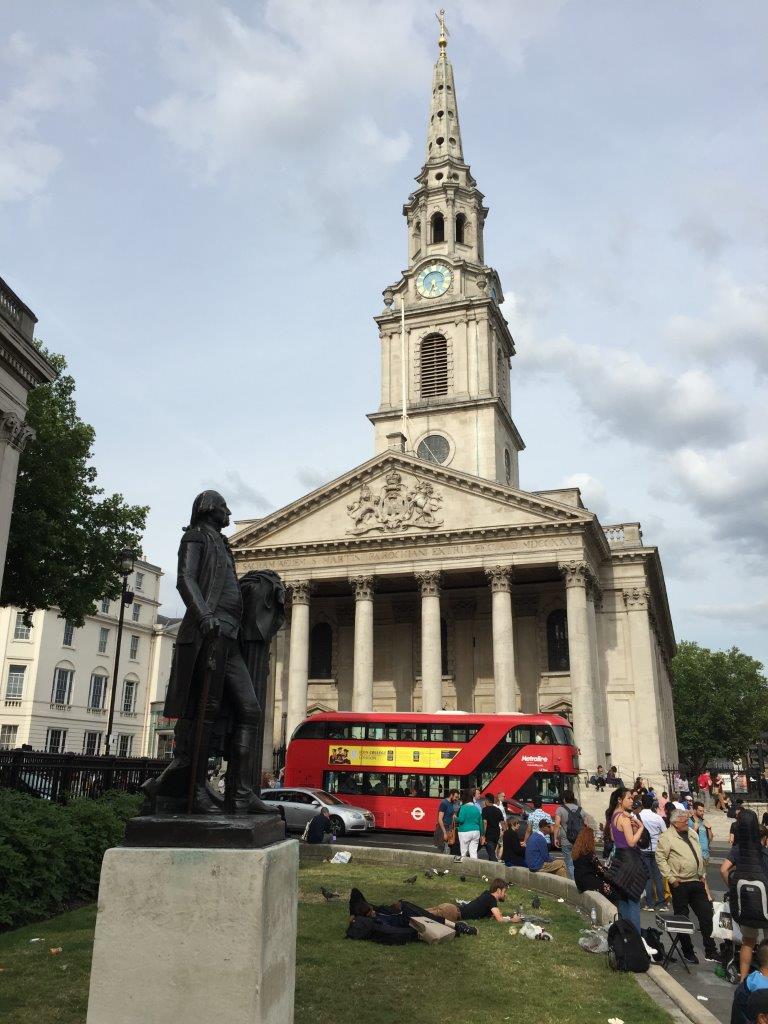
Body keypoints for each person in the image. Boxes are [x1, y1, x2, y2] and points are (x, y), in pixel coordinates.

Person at [656, 807, 717, 964]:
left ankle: (711, 950)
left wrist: (702, 874)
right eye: (683, 821)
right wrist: (671, 879)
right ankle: (687, 951)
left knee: (706, 914)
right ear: (675, 823)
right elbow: (661, 858)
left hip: (696, 881)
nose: (686, 823)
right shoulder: (667, 837)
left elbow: (697, 853)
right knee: (682, 919)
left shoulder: (691, 833)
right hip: (680, 883)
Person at [720, 809, 768, 981]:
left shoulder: (738, 849)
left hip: (746, 903)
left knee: (748, 941)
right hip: (765, 902)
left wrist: (733, 889)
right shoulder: (763, 851)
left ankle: (743, 978)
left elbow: (723, 869)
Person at [608, 787, 647, 933]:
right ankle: (635, 938)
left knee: (623, 902)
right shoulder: (624, 817)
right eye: (629, 798)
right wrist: (641, 828)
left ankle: (624, 937)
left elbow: (613, 837)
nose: (632, 801)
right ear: (620, 800)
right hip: (630, 861)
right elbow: (631, 842)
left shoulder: (614, 815)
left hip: (619, 859)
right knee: (633, 901)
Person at [428, 878, 524, 924]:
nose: (505, 894)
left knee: (420, 912)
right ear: (498, 890)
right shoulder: (491, 899)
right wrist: (513, 920)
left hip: (450, 908)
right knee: (420, 916)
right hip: (452, 913)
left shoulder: (486, 894)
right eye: (504, 892)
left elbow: (484, 909)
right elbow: (499, 919)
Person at [572, 817, 617, 903]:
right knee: (613, 891)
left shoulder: (576, 852)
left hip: (579, 880)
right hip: (588, 881)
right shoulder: (589, 854)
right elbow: (601, 870)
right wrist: (611, 871)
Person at [639, 797, 668, 910]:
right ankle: (661, 902)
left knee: (648, 878)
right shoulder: (657, 817)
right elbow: (665, 833)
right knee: (658, 877)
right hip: (656, 849)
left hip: (643, 849)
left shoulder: (638, 816)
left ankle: (650, 903)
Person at [554, 788, 582, 880]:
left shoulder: (560, 809)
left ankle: (574, 883)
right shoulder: (580, 809)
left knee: (569, 863)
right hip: (578, 840)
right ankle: (580, 881)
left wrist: (555, 838)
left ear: (564, 799)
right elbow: (586, 824)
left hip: (566, 840)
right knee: (578, 862)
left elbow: (557, 824)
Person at [455, 789, 483, 858]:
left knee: (463, 852)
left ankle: (464, 867)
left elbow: (461, 820)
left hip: (465, 831)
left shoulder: (463, 807)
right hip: (476, 832)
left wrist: (455, 818)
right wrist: (482, 834)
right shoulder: (476, 808)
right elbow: (480, 823)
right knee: (473, 852)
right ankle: (474, 867)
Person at [690, 800, 714, 871]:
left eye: (703, 811)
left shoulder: (703, 821)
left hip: (705, 855)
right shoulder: (689, 821)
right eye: (700, 811)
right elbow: (687, 837)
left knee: (703, 878)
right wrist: (695, 828)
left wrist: (709, 828)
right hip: (695, 855)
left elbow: (710, 838)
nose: (702, 813)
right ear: (694, 810)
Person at [481, 793, 505, 862]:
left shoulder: (485, 810)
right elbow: (503, 823)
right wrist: (504, 831)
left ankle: (496, 867)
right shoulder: (498, 810)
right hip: (496, 833)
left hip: (489, 834)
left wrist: (483, 835)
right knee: (492, 852)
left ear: (486, 800)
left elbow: (485, 822)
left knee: (491, 854)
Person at [434, 788, 459, 854]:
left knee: (447, 849)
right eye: (455, 797)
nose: (456, 799)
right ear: (451, 795)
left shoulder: (451, 803)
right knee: (441, 850)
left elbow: (453, 814)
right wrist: (444, 833)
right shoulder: (444, 803)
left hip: (448, 828)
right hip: (443, 829)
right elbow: (440, 819)